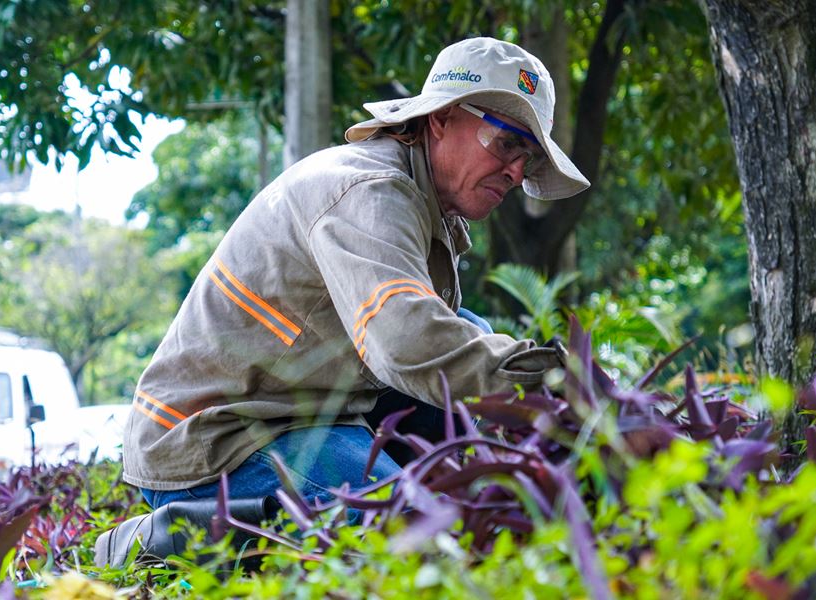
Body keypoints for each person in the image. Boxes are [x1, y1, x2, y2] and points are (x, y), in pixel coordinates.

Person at [123, 37, 590, 509]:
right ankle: (155, 536)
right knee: (411, 524)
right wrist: (561, 385)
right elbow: (406, 341)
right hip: (215, 441)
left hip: (308, 416)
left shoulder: (427, 207)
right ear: (441, 119)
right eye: (507, 142)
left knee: (471, 330)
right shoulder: (371, 191)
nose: (515, 171)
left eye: (528, 157)